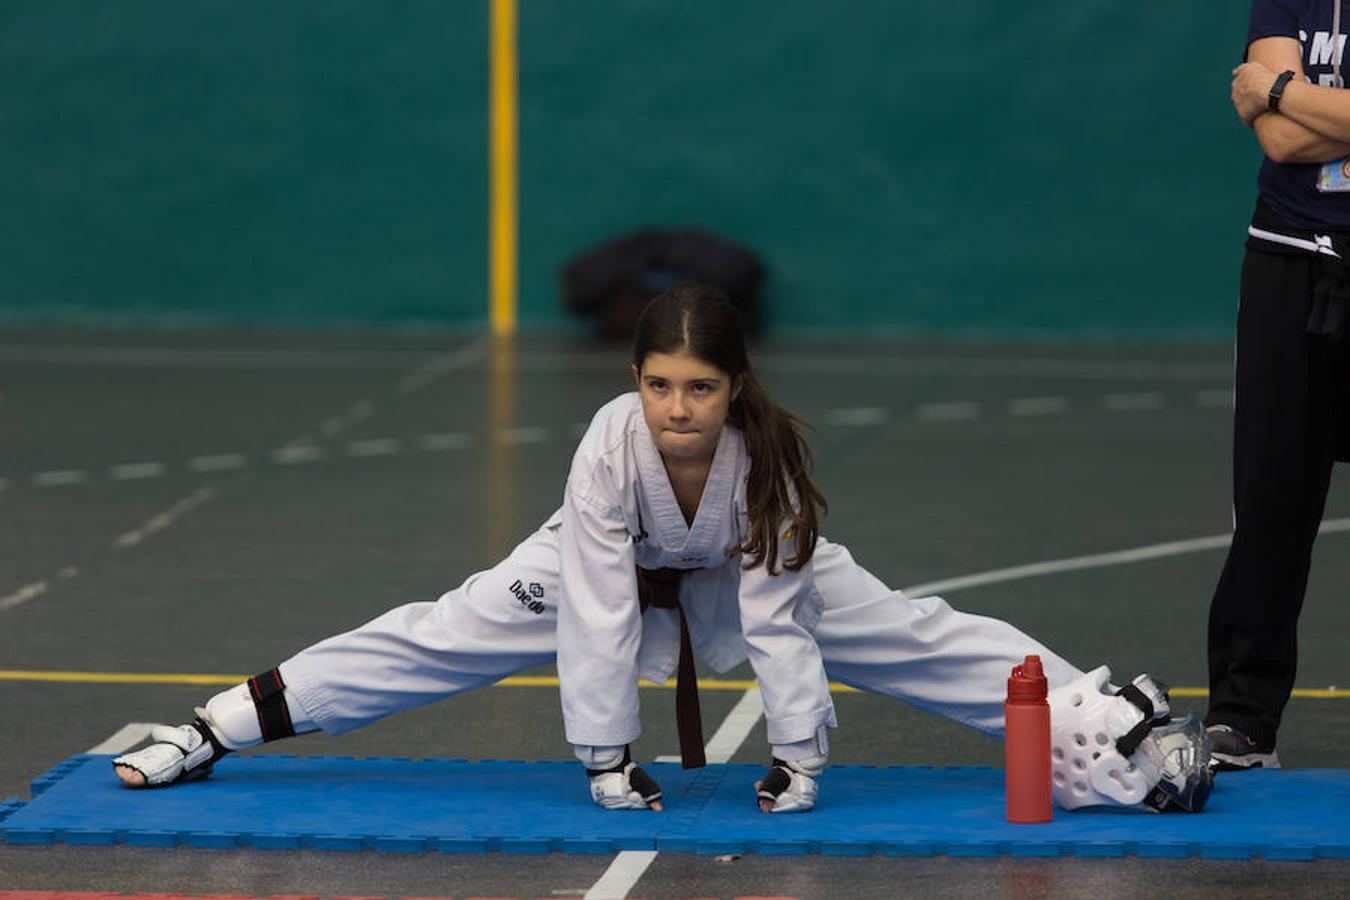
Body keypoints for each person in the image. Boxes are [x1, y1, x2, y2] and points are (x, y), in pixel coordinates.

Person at [112, 284, 1210, 813]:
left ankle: (1104, 726)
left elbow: (777, 623)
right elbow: (595, 613)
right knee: (444, 632)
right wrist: (605, 758)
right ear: (633, 384)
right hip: (610, 572)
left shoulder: (766, 464)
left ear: (734, 389)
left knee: (908, 631)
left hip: (741, 572)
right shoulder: (608, 451)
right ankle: (217, 726)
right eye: (656, 385)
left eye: (698, 387)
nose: (676, 408)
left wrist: (802, 756)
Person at [1209, 1, 1350, 772]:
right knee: (1269, 501)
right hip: (1290, 263)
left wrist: (1281, 89)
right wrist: (1295, 110)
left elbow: (1277, 108)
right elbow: (1282, 138)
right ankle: (1243, 719)